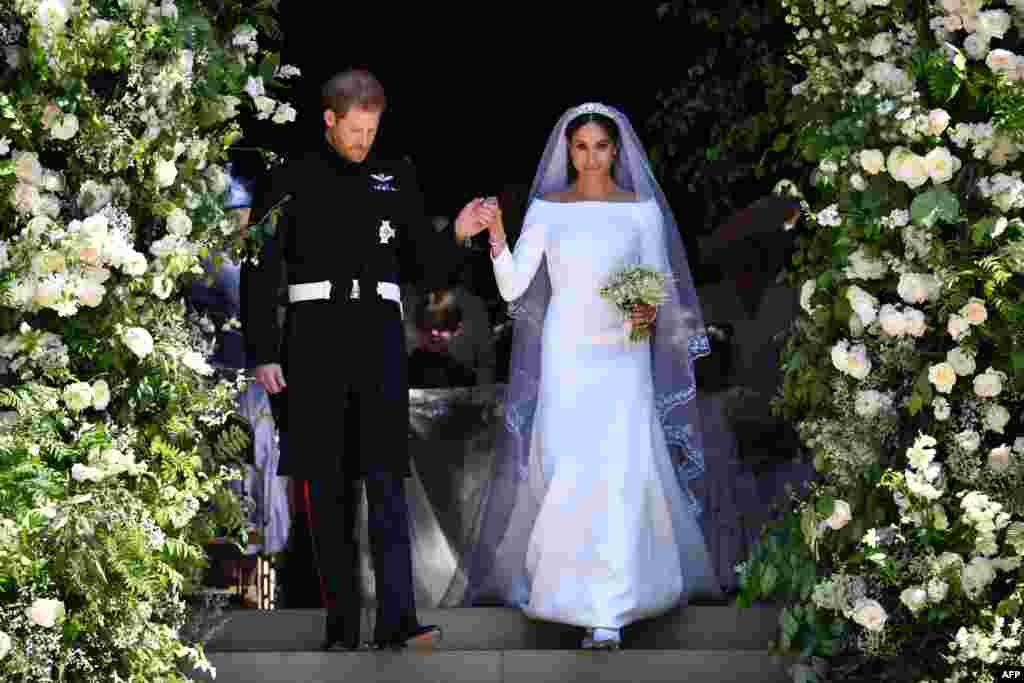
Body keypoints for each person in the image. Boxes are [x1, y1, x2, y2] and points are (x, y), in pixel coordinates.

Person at [241, 68, 496, 651]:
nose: (364, 142)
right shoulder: (289, 177)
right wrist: (261, 350)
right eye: (355, 130)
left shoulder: (396, 174)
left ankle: (400, 621)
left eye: (372, 130)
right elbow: (259, 266)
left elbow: (423, 264)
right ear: (329, 119)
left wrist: (455, 233)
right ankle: (340, 626)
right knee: (326, 487)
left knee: (386, 481)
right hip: (313, 338)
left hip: (379, 337)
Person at [459, 103, 721, 650]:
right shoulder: (548, 209)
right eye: (581, 147)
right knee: (566, 465)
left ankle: (611, 609)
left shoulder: (641, 210)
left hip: (623, 354)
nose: (591, 156)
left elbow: (656, 285)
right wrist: (499, 234)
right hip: (567, 350)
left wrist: (645, 313)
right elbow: (511, 289)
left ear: (616, 149)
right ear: (568, 151)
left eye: (601, 146)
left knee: (622, 468)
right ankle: (568, 596)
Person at [404, 279, 495, 388]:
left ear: (459, 328)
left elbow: (486, 366)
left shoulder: (474, 317)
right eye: (427, 327)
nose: (434, 333)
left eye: (442, 327)